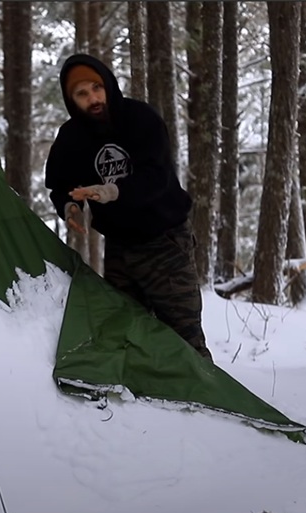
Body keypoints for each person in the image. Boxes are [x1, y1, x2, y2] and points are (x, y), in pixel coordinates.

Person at [44, 53, 213, 361]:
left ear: (108, 84)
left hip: (164, 241)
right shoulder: (71, 138)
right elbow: (59, 185)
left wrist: (111, 191)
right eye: (82, 94)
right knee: (124, 329)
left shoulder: (140, 118)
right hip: (120, 248)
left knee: (184, 336)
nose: (93, 98)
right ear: (71, 100)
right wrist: (69, 207)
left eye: (96, 87)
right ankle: (144, 401)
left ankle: (208, 400)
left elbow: (157, 176)